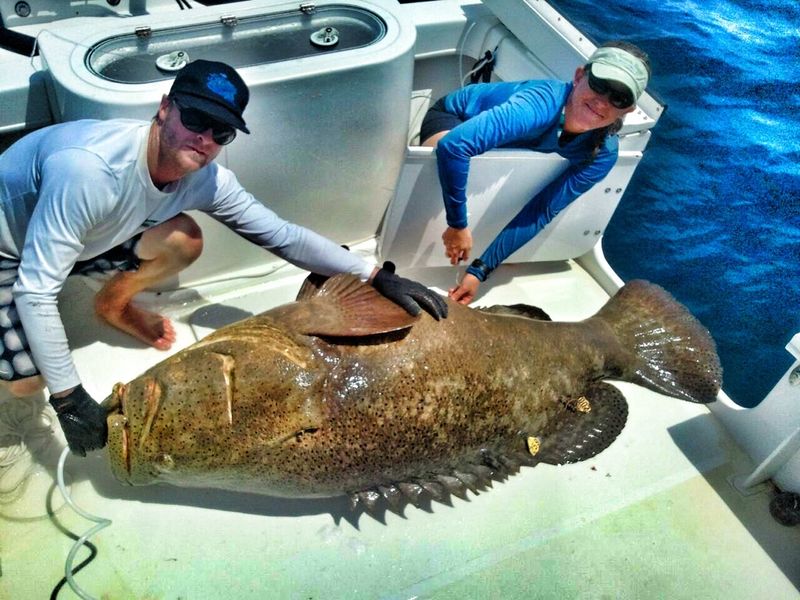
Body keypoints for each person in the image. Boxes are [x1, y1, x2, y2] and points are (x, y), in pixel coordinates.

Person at [0, 60, 447, 457]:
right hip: (9, 252)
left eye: (222, 131)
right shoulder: (89, 171)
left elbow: (281, 235)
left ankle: (111, 304)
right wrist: (69, 399)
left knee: (184, 241)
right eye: (196, 118)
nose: (205, 138)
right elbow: (36, 290)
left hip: (82, 239)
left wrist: (374, 274)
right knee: (28, 385)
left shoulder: (208, 179)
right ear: (164, 108)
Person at [420, 41, 651, 304]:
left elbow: (542, 210)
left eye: (619, 98)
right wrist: (457, 225)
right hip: (456, 119)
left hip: (502, 149)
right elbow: (455, 146)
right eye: (600, 85)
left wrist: (479, 271)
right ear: (578, 77)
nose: (603, 102)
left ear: (628, 110)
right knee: (434, 169)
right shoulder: (539, 104)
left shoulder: (603, 153)